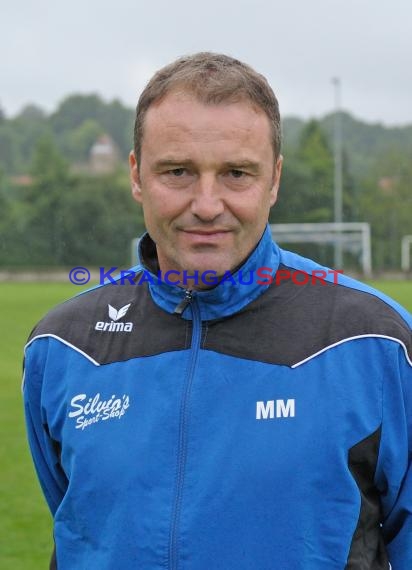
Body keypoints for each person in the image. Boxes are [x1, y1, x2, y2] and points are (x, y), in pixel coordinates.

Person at [23, 52, 411, 570]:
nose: (207, 204)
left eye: (236, 173)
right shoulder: (62, 347)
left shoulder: (375, 342)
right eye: (178, 171)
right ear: (137, 175)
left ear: (273, 180)